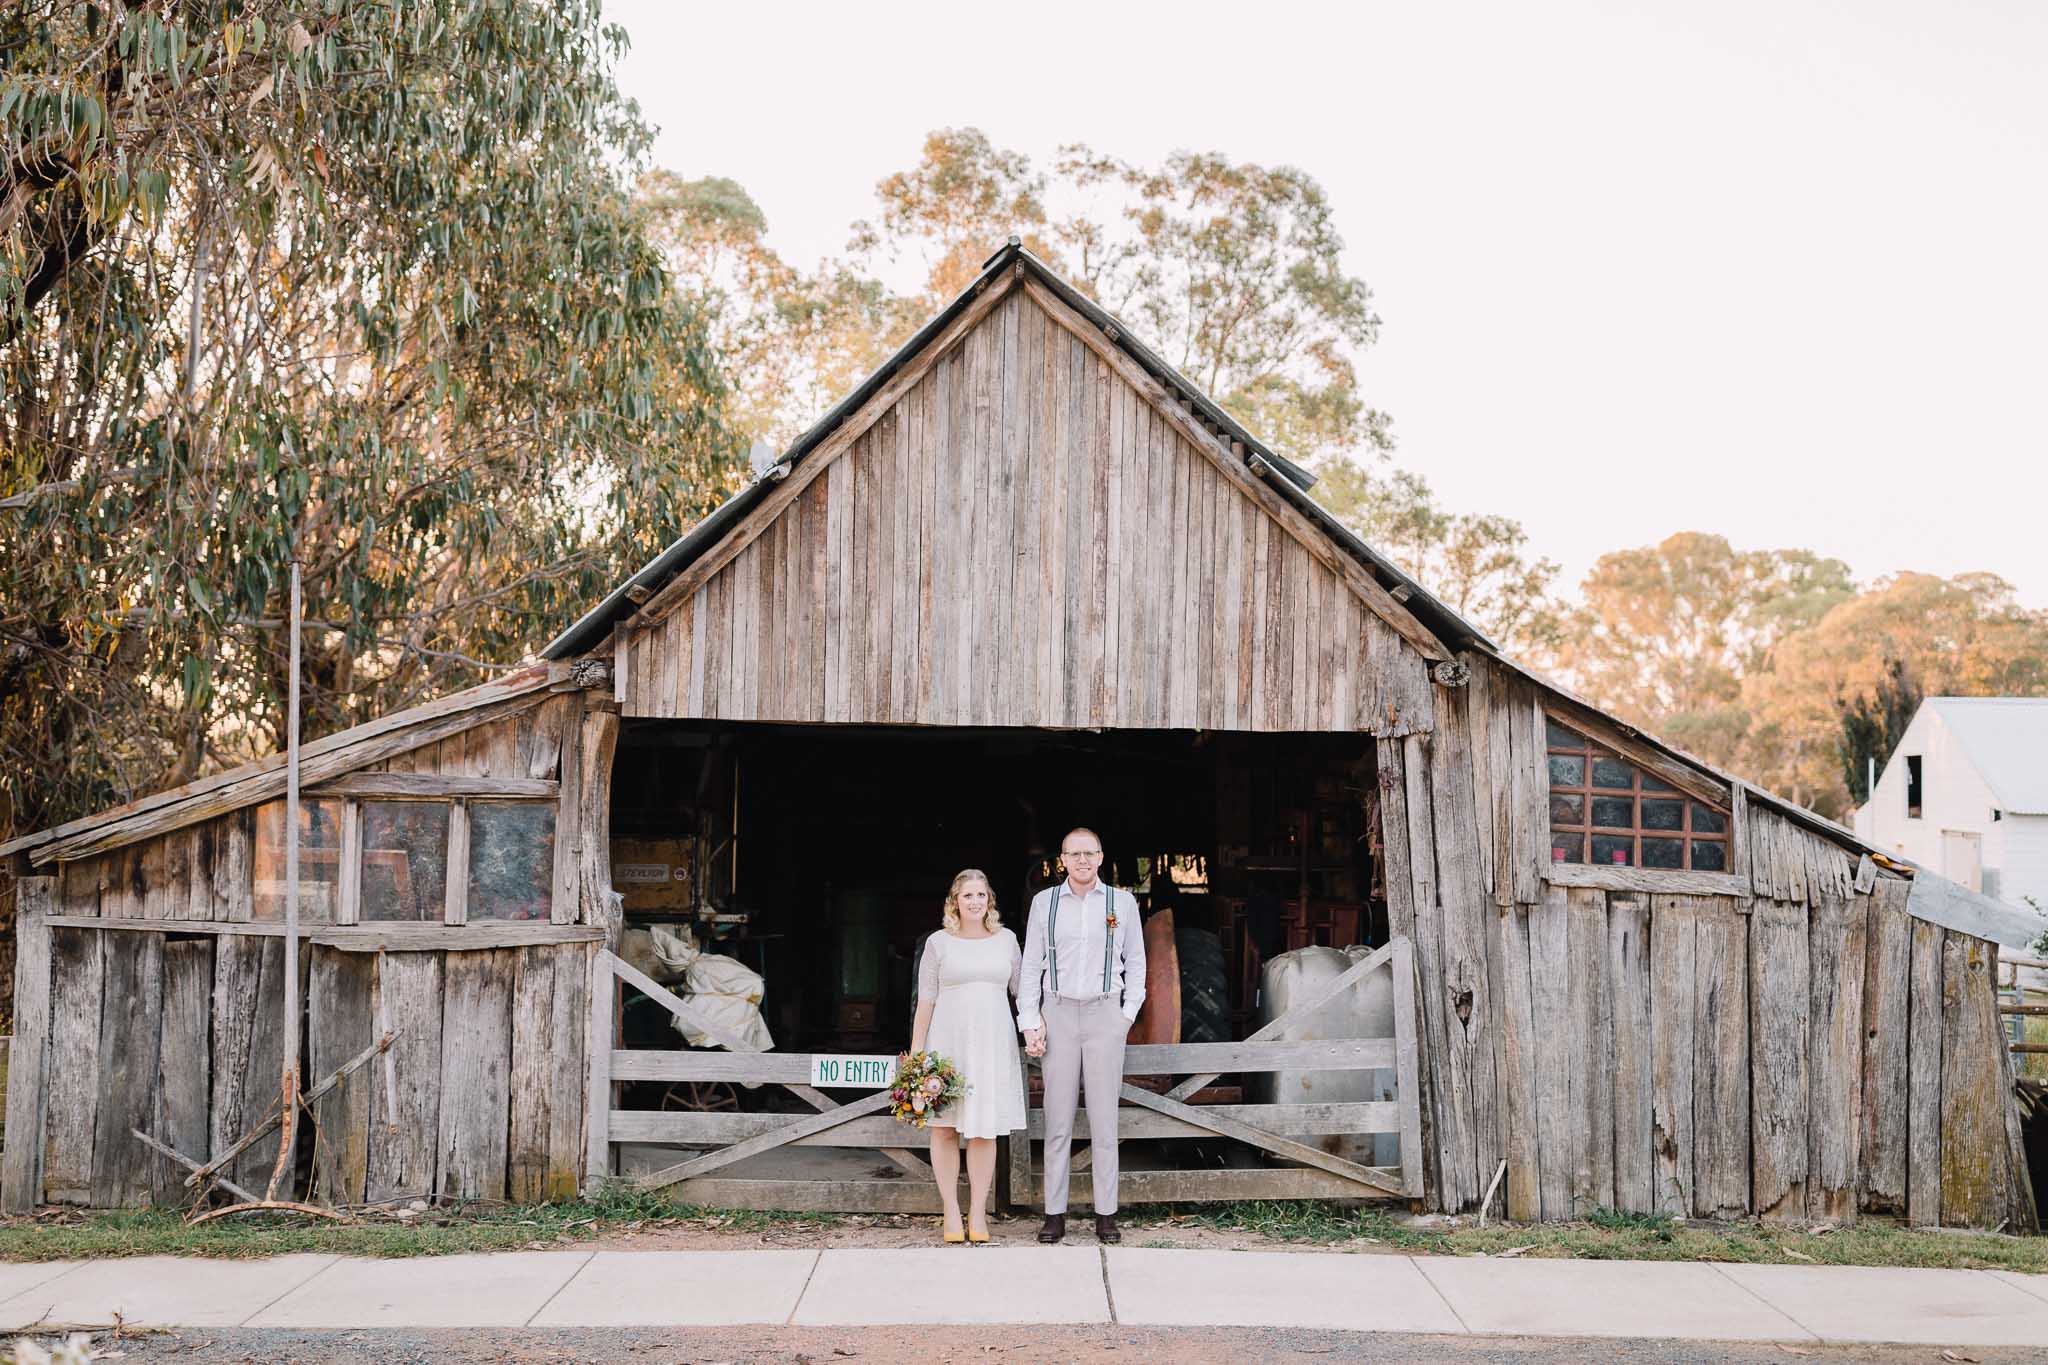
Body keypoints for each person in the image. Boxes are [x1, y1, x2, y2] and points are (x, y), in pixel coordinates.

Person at [1016, 827, 1146, 1244]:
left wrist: (1124, 1016)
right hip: (1058, 1011)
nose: (1083, 860)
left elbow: (1137, 964)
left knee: (1105, 1120)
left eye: (1089, 853)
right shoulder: (1045, 903)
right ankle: (1054, 1214)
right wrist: (1031, 1018)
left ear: (1101, 857)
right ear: (1063, 859)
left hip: (1105, 1010)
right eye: (1075, 854)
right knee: (1057, 1118)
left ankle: (1106, 1214)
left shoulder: (1122, 903)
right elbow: (1032, 964)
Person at [908, 869, 1025, 1243]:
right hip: (948, 1043)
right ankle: (950, 1211)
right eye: (967, 895)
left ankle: (978, 1212)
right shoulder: (939, 943)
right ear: (954, 901)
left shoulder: (1006, 940)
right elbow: (925, 1000)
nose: (974, 901)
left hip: (992, 1044)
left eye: (981, 895)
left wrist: (1036, 1030)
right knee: (944, 1127)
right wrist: (917, 1052)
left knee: (983, 1129)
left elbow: (1023, 994)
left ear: (989, 900)